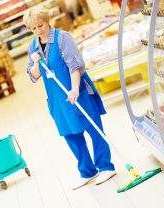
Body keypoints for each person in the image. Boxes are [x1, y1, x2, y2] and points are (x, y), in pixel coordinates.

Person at [23, 6, 116, 190]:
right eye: (33, 28)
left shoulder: (62, 38)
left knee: (93, 128)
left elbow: (75, 66)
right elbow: (34, 76)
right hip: (57, 99)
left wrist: (74, 90)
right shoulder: (32, 47)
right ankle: (88, 172)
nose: (37, 30)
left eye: (40, 25)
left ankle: (106, 166)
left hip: (76, 90)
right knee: (71, 135)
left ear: (47, 20)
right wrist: (34, 62)